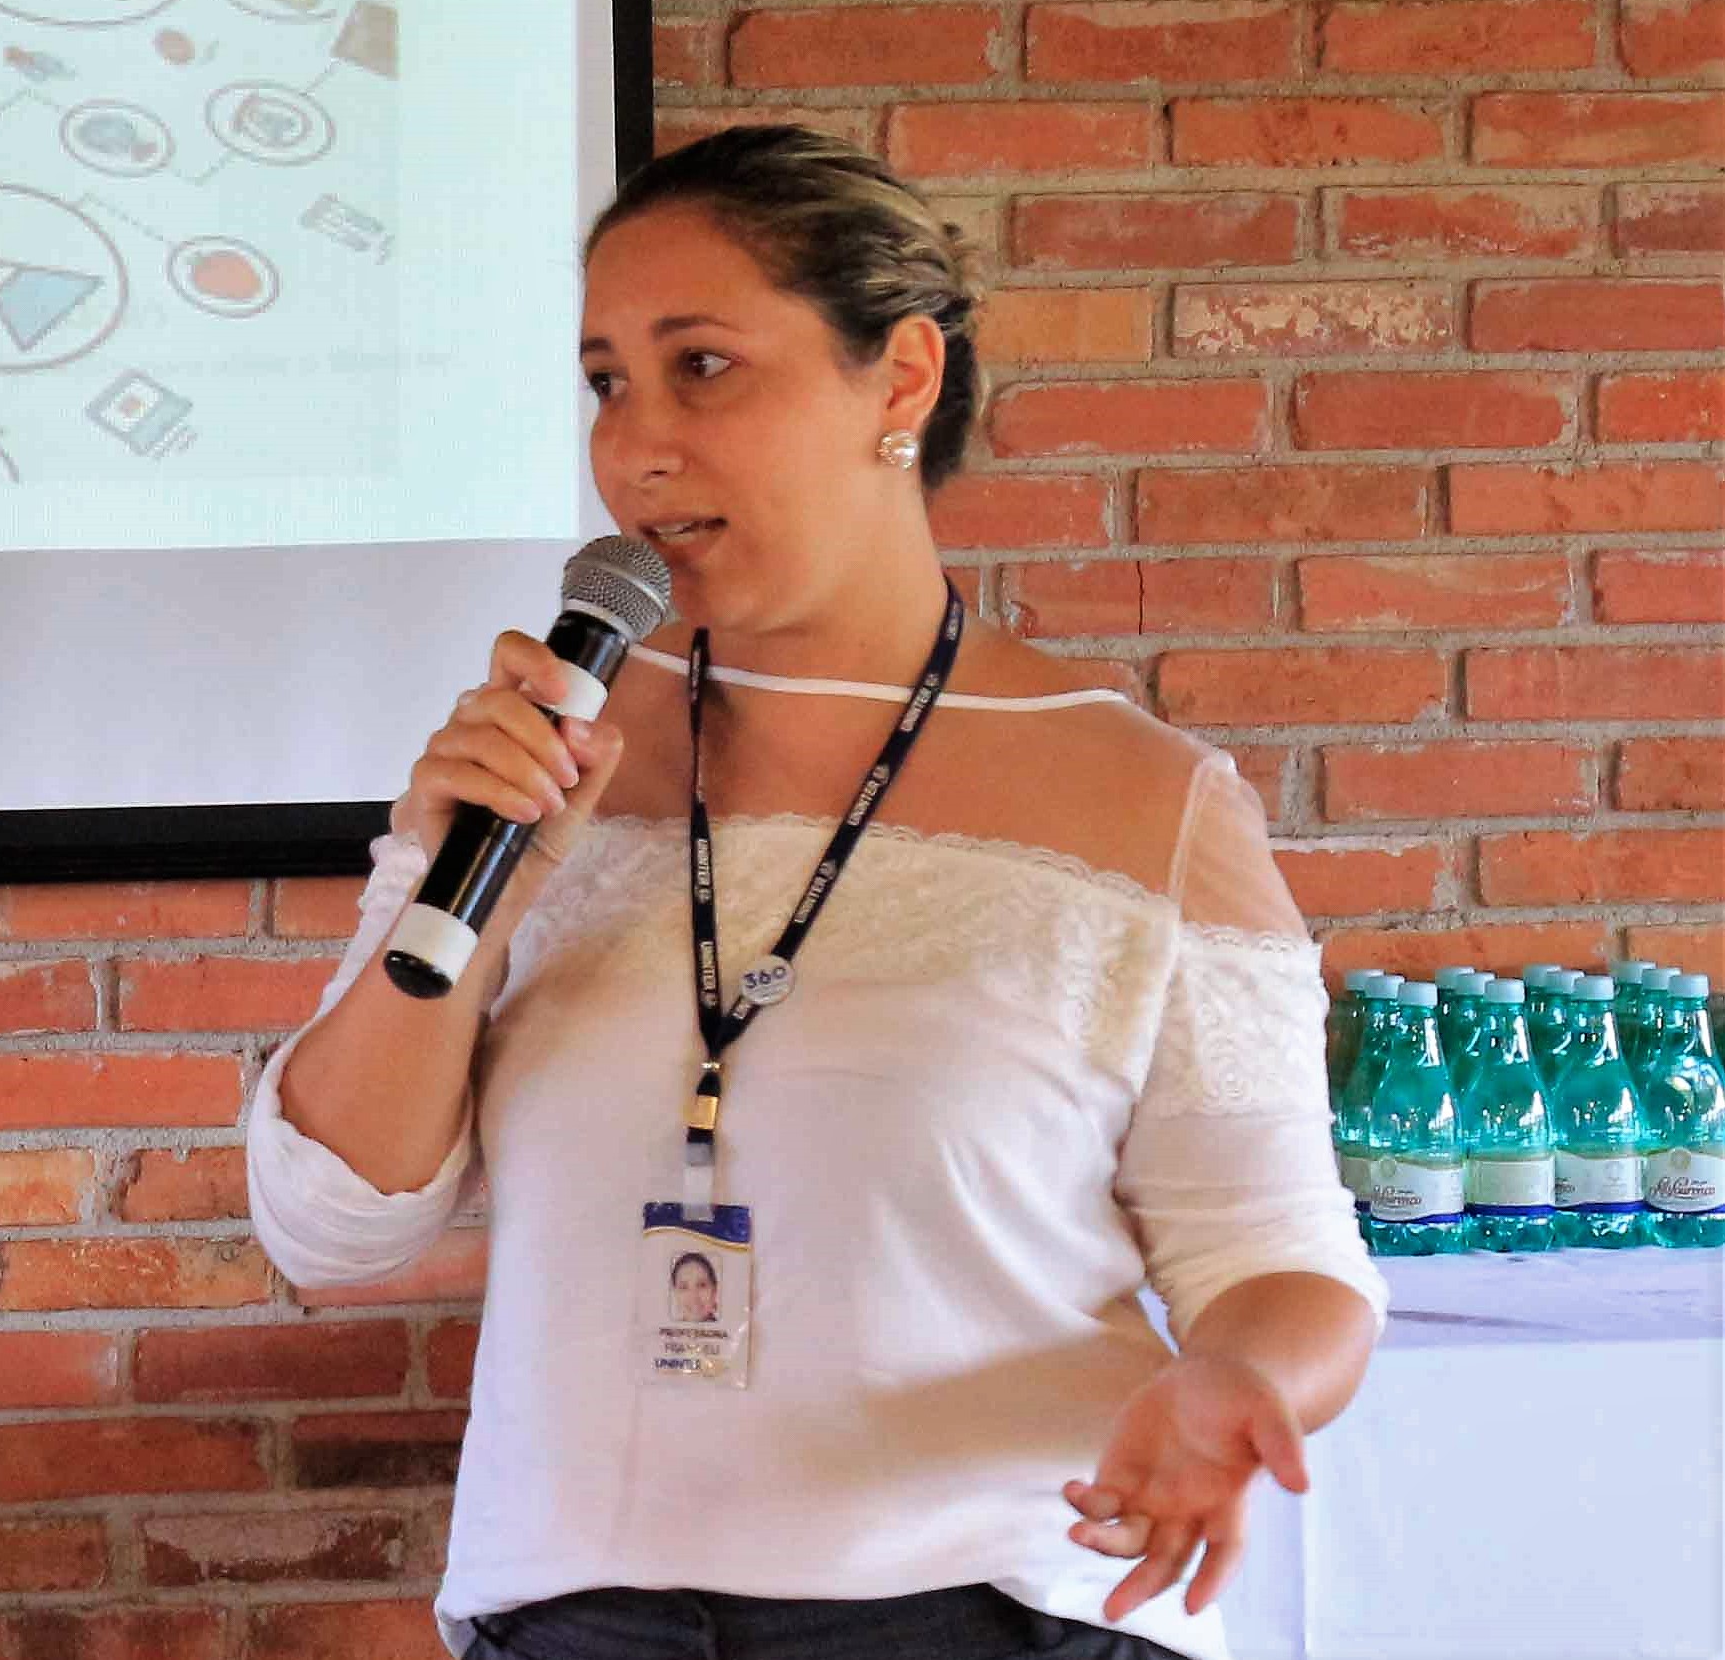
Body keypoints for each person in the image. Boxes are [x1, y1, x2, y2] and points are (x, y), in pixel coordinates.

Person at [249, 124, 1380, 1660]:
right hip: (575, 1619)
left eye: (702, 365)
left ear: (900, 377)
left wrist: (1235, 1376)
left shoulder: (1145, 798)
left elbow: (1282, 1262)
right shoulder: (540, 758)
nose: (635, 445)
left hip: (991, 1612)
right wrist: (481, 886)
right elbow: (329, 1224)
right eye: (606, 381)